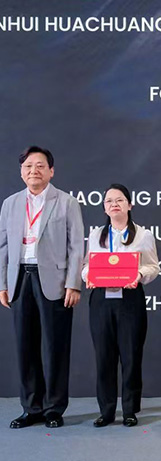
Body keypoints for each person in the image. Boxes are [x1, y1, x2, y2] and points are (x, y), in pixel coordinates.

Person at [0, 145, 84, 429]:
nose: (33, 171)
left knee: (55, 346)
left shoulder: (66, 202)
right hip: (19, 279)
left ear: (51, 171)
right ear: (21, 172)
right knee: (25, 346)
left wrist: (73, 283)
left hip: (55, 281)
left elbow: (76, 247)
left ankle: (54, 408)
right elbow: (2, 247)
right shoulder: (10, 203)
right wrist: (2, 283)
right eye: (28, 166)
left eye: (40, 166)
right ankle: (31, 407)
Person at [82, 184, 159, 427]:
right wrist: (88, 275)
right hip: (101, 301)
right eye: (109, 201)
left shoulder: (143, 235)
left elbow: (153, 266)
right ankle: (106, 411)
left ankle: (129, 410)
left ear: (129, 205)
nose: (114, 204)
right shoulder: (96, 235)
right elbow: (86, 265)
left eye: (119, 200)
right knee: (104, 357)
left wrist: (139, 274)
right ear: (104, 207)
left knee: (131, 356)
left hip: (130, 299)